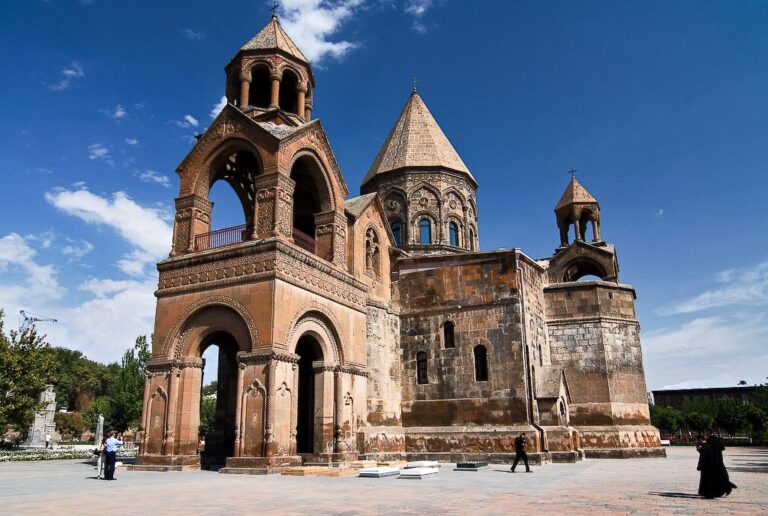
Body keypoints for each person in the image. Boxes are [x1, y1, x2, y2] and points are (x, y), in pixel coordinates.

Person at [697, 429, 737, 498]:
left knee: (714, 477)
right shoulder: (717, 439)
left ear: (709, 432)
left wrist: (701, 448)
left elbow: (707, 451)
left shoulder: (709, 440)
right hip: (719, 460)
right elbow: (722, 448)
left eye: (705, 432)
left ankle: (726, 487)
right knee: (719, 476)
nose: (705, 433)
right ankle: (725, 488)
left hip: (712, 461)